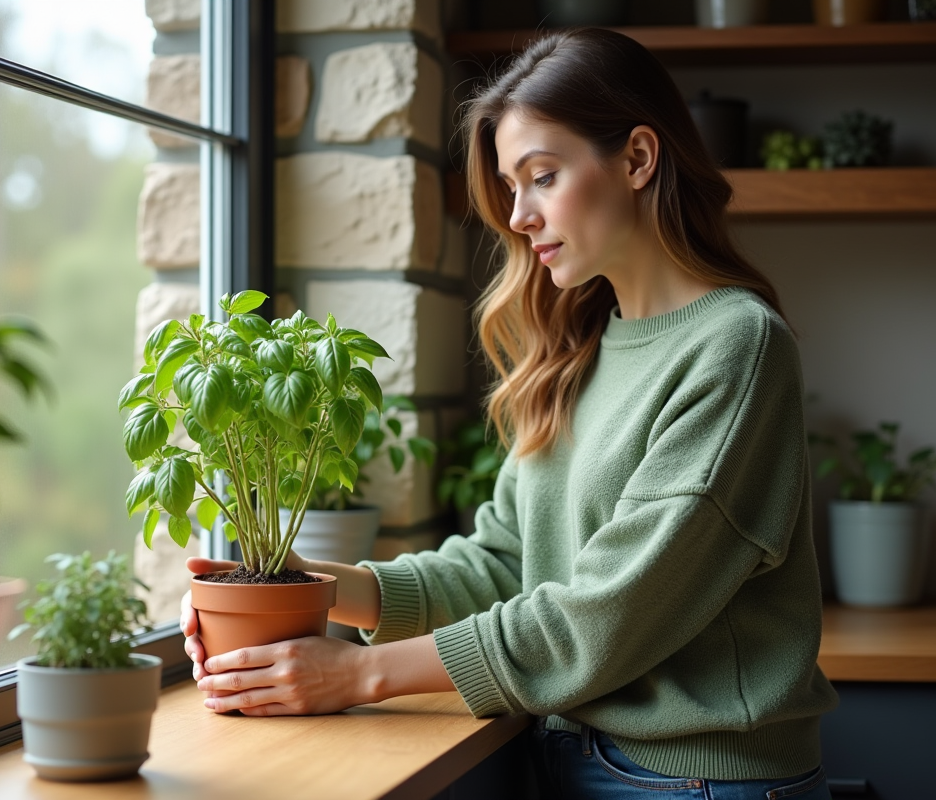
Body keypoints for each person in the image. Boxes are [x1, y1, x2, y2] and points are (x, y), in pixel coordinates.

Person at [181, 27, 838, 799]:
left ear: (636, 159)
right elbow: (501, 562)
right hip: (567, 757)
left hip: (694, 782)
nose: (519, 215)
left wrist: (358, 674)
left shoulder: (737, 346)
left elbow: (609, 614)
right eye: (511, 186)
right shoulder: (579, 348)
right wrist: (311, 585)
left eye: (543, 176)